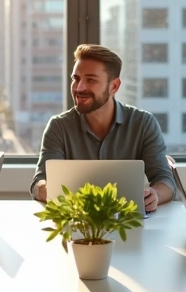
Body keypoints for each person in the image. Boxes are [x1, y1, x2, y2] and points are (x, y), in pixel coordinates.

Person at [31, 44, 174, 212]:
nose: (79, 88)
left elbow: (166, 181)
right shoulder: (58, 126)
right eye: (76, 79)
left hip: (129, 224)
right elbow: (39, 182)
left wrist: (155, 195)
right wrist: (53, 193)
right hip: (77, 227)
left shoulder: (143, 123)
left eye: (90, 80)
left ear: (114, 86)